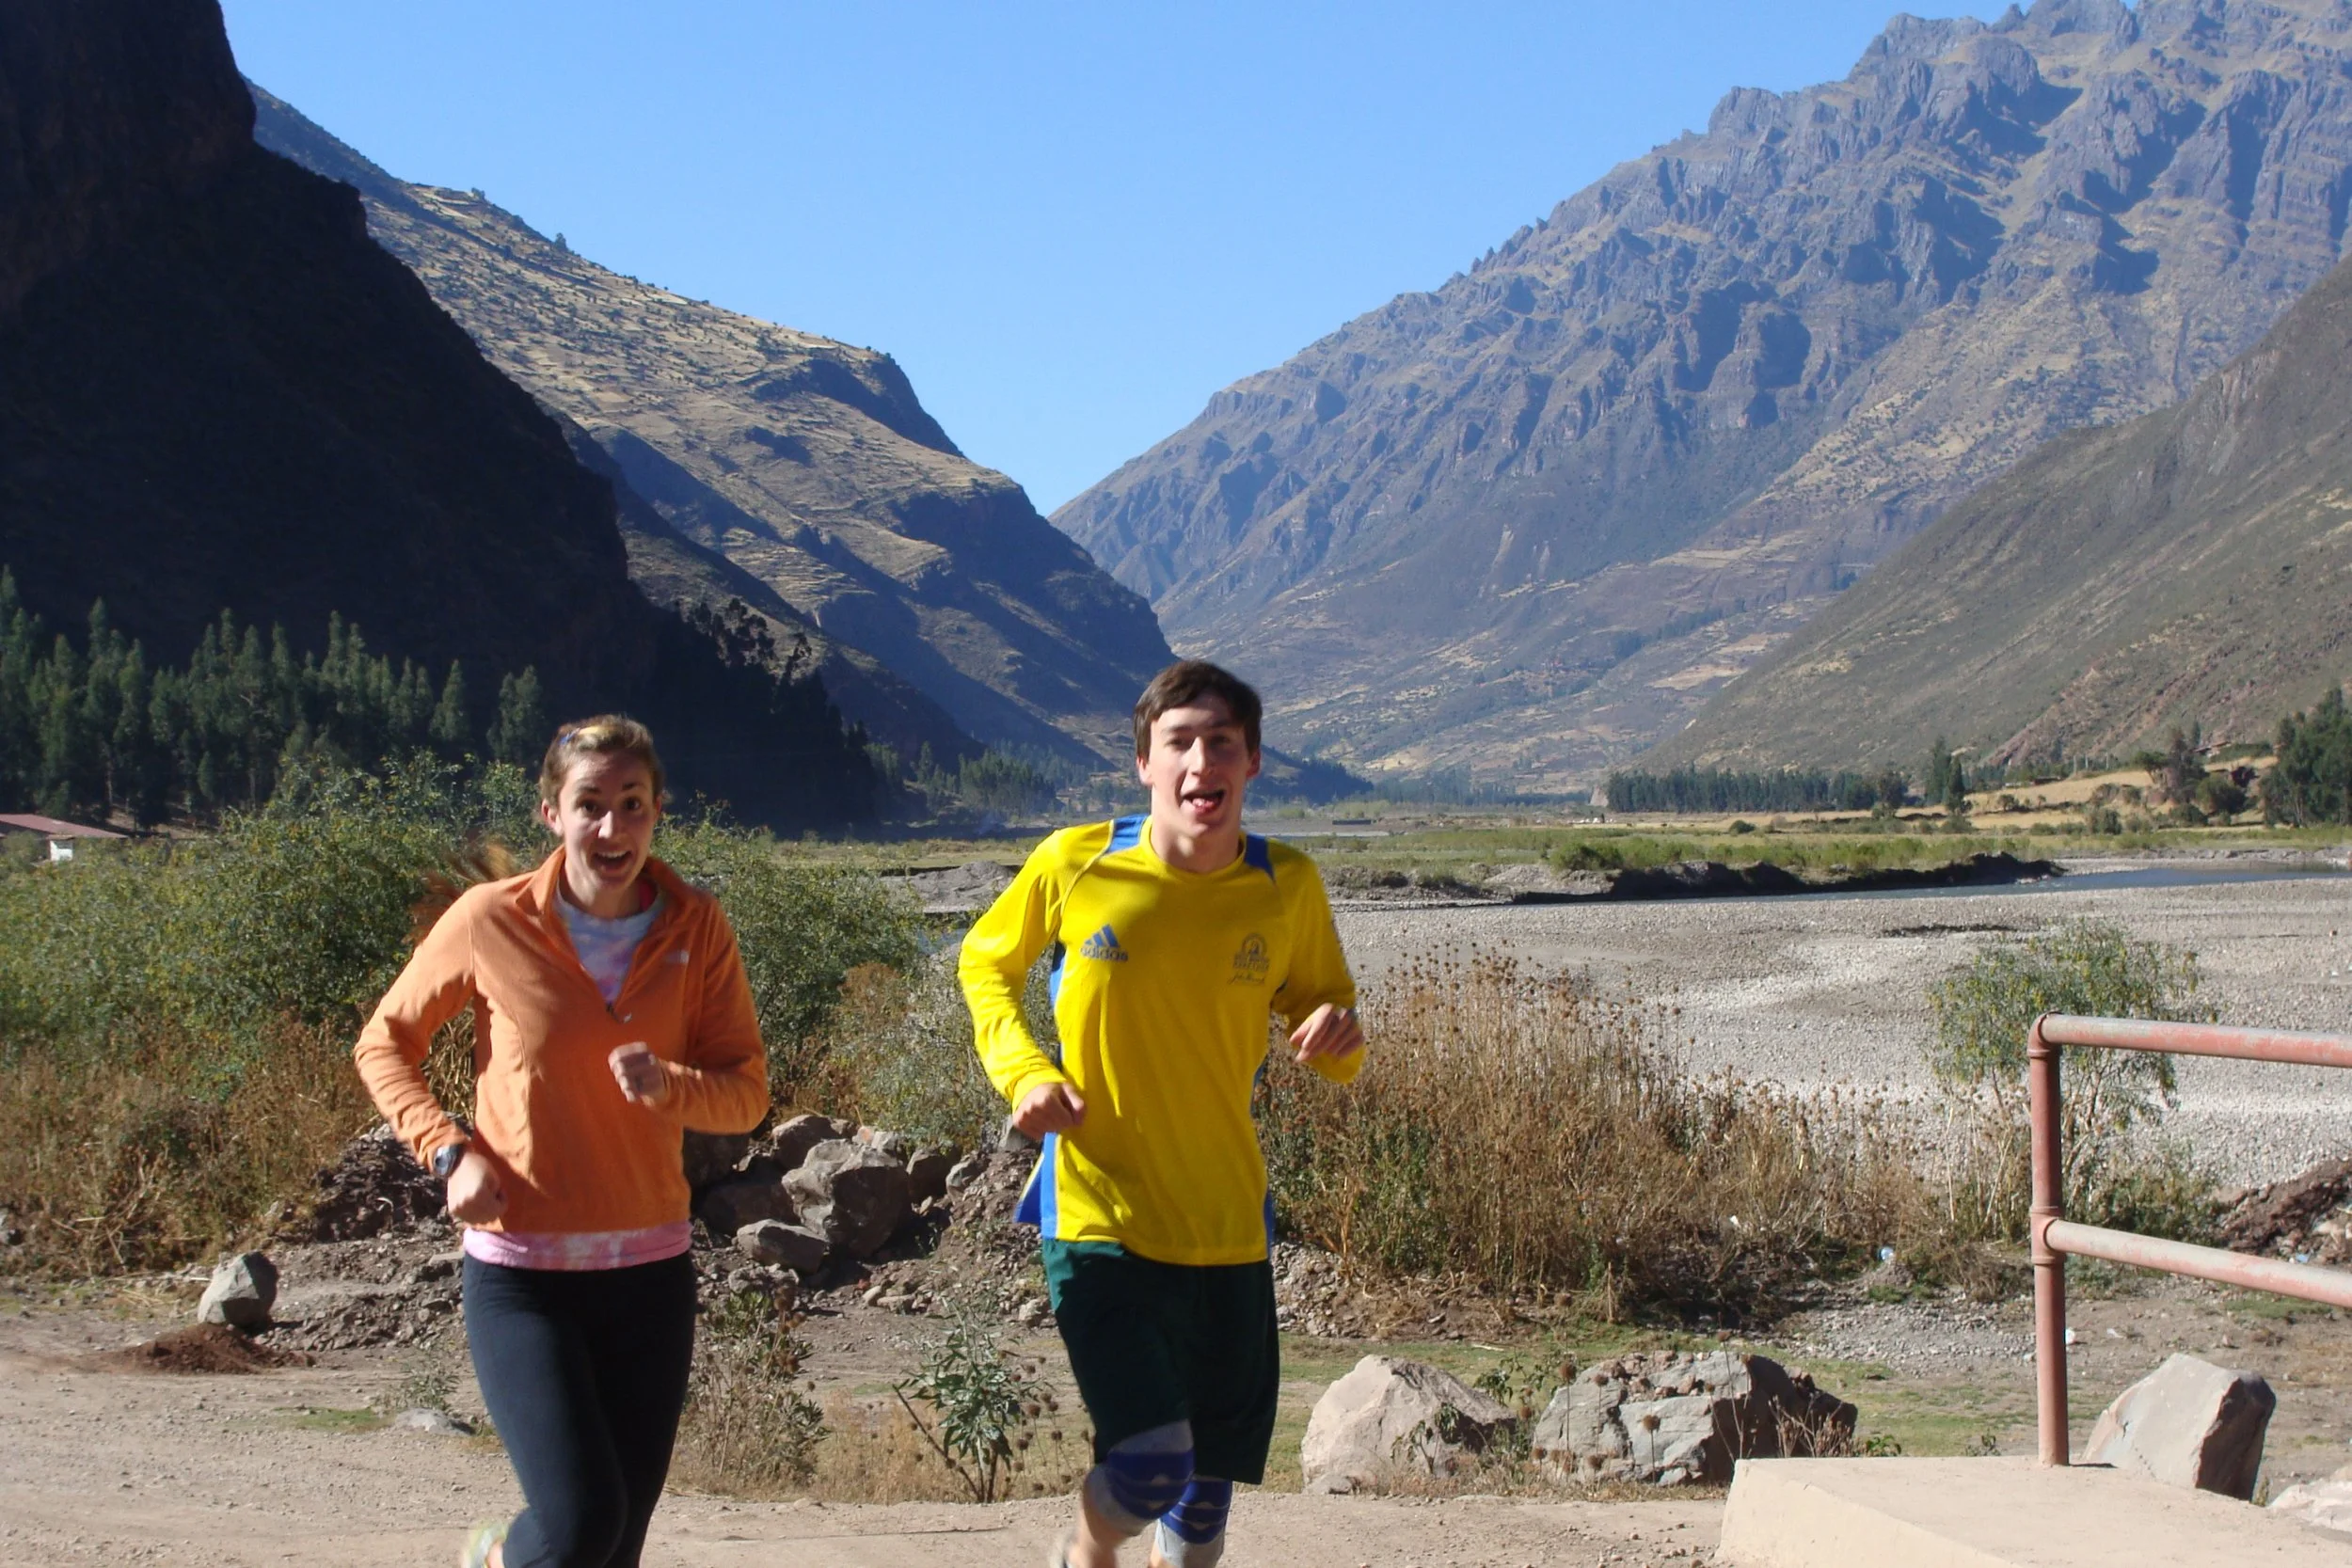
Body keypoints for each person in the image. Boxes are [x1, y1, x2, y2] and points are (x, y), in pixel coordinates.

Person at [960, 659, 1365, 1568]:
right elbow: (984, 964)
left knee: (1202, 1516)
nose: (1200, 761)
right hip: (1098, 1217)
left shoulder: (1287, 884)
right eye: (1179, 741)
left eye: (1221, 741)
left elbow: (1329, 1019)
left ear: (1252, 763)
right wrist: (1022, 1069)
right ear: (1144, 762)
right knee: (1150, 1466)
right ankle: (1085, 1552)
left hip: (1227, 1226)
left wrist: (1336, 1041)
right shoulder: (1077, 862)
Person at [352, 716, 768, 1568]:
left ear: (657, 812)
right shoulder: (489, 920)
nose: (612, 829)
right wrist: (446, 1148)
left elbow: (748, 1097)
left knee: (616, 1547)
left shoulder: (697, 926)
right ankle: (499, 1558)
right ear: (552, 812)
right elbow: (384, 1043)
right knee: (580, 1526)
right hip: (523, 1275)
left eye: (632, 804)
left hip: (651, 1271)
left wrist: (674, 1086)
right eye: (590, 805)